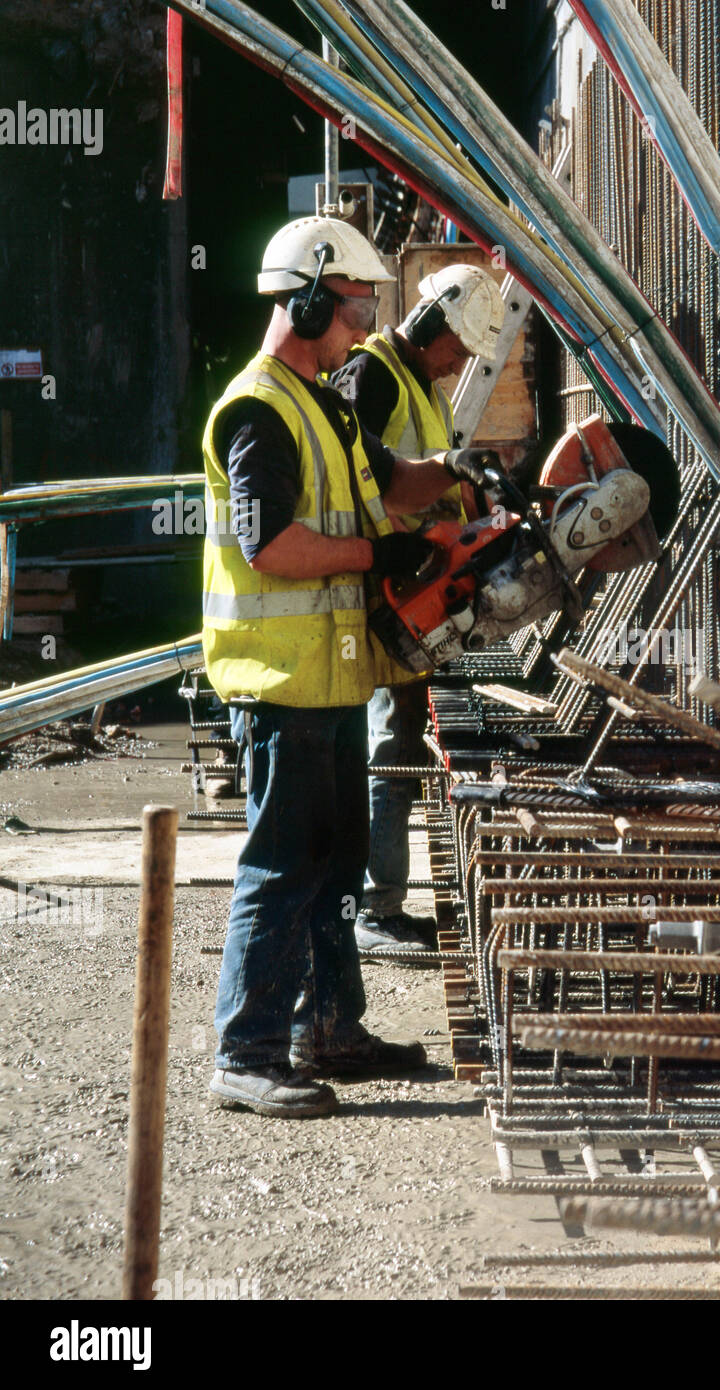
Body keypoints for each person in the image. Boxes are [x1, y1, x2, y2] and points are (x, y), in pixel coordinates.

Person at [201, 216, 488, 1118]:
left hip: (328, 679)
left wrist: (458, 477)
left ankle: (330, 1029)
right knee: (282, 868)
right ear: (313, 295)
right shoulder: (258, 410)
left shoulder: (323, 400)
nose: (366, 327)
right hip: (279, 683)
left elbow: (390, 480)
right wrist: (379, 560)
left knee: (332, 866)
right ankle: (246, 1053)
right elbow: (269, 548)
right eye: (357, 307)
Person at [332, 264, 506, 954]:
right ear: (433, 325)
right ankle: (374, 909)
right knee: (384, 748)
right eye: (458, 348)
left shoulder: (421, 387)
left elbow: (428, 480)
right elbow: (355, 481)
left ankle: (383, 902)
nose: (460, 362)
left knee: (400, 743)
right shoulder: (369, 375)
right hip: (384, 594)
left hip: (416, 594)